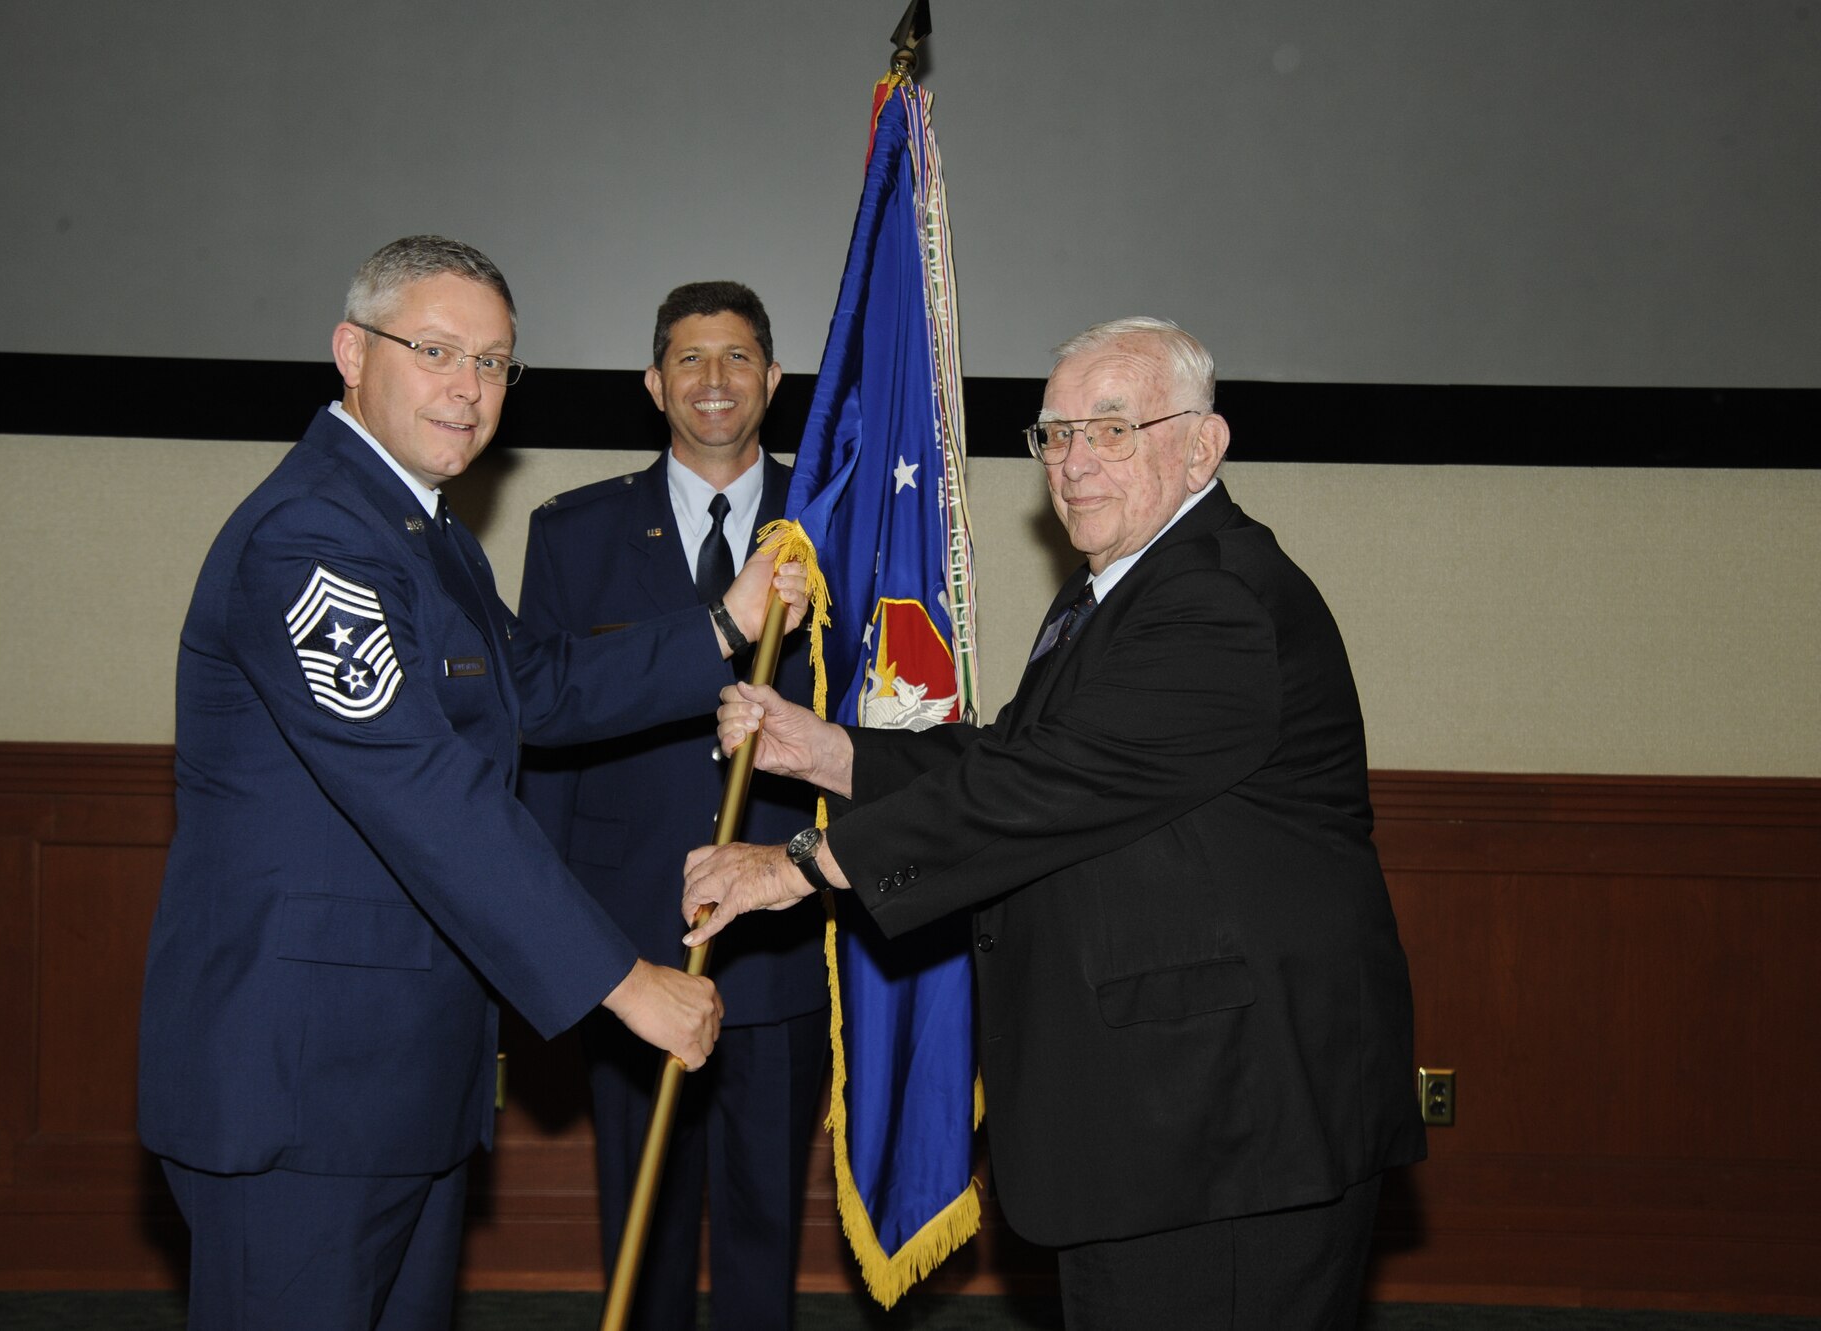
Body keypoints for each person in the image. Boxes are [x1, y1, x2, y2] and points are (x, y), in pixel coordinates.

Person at [680, 317, 1426, 1330]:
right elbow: (1022, 755)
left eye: (1110, 431)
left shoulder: (1215, 598)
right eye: (1053, 434)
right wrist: (826, 751)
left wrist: (800, 863)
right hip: (1163, 1120)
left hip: (1228, 1125)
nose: (1070, 464)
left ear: (1201, 445)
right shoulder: (1116, 590)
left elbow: (1046, 784)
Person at [138, 237, 807, 1331]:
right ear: (352, 352)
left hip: (396, 1084)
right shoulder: (312, 537)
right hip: (303, 1086)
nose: (469, 388)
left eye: (494, 363)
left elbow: (533, 686)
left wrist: (721, 625)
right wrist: (620, 979)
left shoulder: (420, 534)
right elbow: (423, 790)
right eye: (437, 350)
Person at [518, 282, 826, 1331]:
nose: (712, 379)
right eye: (688, 359)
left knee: (762, 1233)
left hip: (782, 939)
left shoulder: (833, 527)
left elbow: (878, 727)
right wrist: (550, 948)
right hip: (629, 941)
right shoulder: (573, 534)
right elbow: (545, 741)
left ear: (772, 381)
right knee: (641, 1236)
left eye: (736, 357)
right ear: (654, 384)